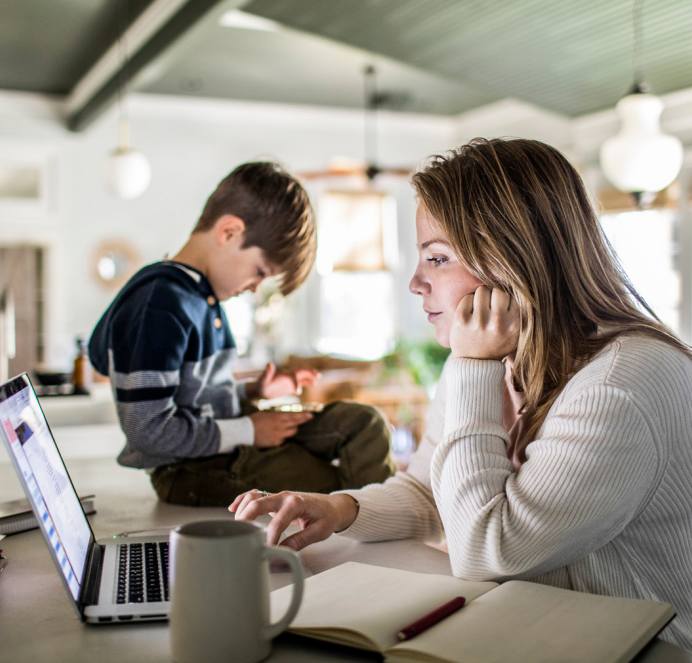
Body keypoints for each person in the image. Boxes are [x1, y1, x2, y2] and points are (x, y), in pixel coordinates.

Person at [231, 139, 692, 651]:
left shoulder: (618, 385)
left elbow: (486, 548)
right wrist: (339, 510)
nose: (415, 282)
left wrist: (473, 368)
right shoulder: (487, 356)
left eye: (437, 258)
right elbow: (430, 491)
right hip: (546, 626)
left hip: (649, 648)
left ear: (511, 260)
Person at [89, 161, 396, 507]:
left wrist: (253, 390)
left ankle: (374, 515)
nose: (254, 288)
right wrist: (250, 430)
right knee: (329, 483)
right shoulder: (157, 304)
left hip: (231, 434)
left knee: (364, 424)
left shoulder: (201, 298)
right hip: (188, 468)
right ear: (229, 232)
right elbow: (147, 432)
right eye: (260, 272)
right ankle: (366, 536)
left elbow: (195, 395)